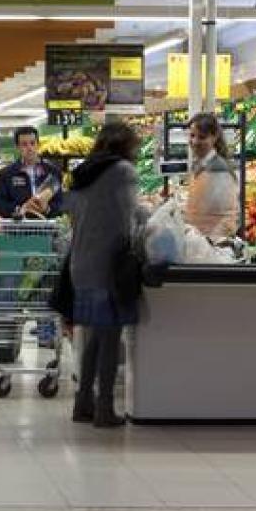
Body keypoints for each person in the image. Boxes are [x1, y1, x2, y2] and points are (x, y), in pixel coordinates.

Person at [65, 121, 148, 428]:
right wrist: (151, 217)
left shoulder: (83, 171)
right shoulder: (123, 172)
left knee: (95, 336)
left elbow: (73, 213)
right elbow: (128, 217)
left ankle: (82, 402)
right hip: (108, 265)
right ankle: (104, 409)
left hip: (80, 263)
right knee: (110, 337)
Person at [183, 113, 241, 240]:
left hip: (212, 245)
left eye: (202, 137)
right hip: (198, 241)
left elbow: (229, 216)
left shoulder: (218, 169)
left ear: (214, 137)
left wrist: (210, 241)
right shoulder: (201, 165)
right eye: (192, 136)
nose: (195, 141)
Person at [0, 126, 64, 220]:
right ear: (18, 147)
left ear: (38, 145)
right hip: (17, 229)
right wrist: (20, 208)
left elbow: (61, 204)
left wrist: (47, 209)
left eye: (33, 143)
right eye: (24, 144)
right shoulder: (6, 174)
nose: (29, 148)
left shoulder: (53, 172)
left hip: (47, 229)